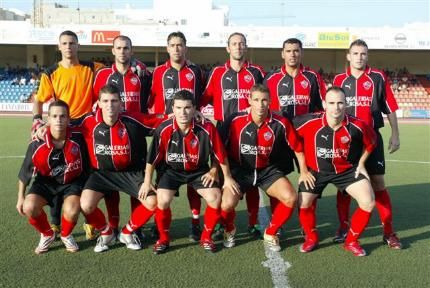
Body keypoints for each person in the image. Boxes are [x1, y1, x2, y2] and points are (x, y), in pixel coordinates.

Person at [142, 90, 239, 254]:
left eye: (187, 108)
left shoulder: (207, 128)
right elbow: (152, 159)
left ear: (195, 108)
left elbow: (219, 154)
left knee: (215, 198)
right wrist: (147, 182)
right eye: (178, 108)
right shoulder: (164, 129)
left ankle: (206, 237)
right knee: (162, 200)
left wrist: (223, 175)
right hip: (171, 171)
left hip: (198, 171)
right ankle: (164, 239)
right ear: (172, 108)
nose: (183, 112)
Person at [219, 84, 313, 251]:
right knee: (226, 204)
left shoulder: (281, 123)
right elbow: (219, 150)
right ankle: (229, 229)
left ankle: (271, 232)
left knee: (290, 197)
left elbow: (298, 148)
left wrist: (304, 172)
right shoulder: (235, 120)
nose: (260, 104)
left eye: (264, 100)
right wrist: (225, 176)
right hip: (241, 170)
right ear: (249, 101)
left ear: (270, 101)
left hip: (267, 170)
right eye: (256, 100)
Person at [32, 30, 103, 239]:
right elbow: (38, 98)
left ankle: (91, 221)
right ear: (59, 46)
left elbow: (116, 69)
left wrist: (138, 64)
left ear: (78, 45)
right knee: (58, 173)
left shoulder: (92, 68)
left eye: (72, 43)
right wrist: (37, 120)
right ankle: (55, 223)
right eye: (64, 43)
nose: (68, 46)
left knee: (89, 174)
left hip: (86, 129)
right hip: (61, 128)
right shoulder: (51, 72)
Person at [77, 84, 166, 253]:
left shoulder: (133, 119)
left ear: (121, 103)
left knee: (154, 201)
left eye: (114, 101)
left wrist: (192, 115)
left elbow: (160, 120)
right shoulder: (88, 121)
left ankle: (127, 232)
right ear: (99, 103)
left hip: (130, 173)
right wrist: (42, 126)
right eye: (106, 101)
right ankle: (107, 233)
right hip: (101, 174)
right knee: (86, 204)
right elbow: (63, 126)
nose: (110, 105)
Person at [332, 39, 402, 249]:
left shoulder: (378, 77)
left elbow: (389, 108)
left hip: (372, 139)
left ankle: (388, 232)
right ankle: (343, 227)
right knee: (344, 187)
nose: (359, 57)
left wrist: (395, 134)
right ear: (348, 56)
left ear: (367, 56)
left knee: (378, 183)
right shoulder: (338, 79)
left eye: (363, 54)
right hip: (345, 140)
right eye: (355, 53)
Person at [293, 86, 377, 256]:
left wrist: (361, 164)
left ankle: (351, 241)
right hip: (316, 171)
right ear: (324, 104)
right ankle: (311, 238)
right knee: (303, 202)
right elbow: (294, 141)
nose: (336, 107)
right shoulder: (308, 122)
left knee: (368, 201)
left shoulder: (358, 125)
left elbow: (371, 143)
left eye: (340, 103)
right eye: (331, 103)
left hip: (347, 171)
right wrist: (303, 170)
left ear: (346, 104)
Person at [200, 32, 266, 237]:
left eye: (241, 44)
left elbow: (265, 97)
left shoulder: (256, 72)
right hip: (224, 130)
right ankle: (221, 221)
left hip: (251, 129)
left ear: (246, 48)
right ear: (228, 48)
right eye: (234, 44)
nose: (238, 47)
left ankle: (254, 223)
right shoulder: (218, 72)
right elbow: (204, 99)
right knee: (220, 176)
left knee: (252, 175)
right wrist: (200, 115)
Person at [147, 31, 207, 241]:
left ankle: (195, 223)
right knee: (163, 179)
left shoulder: (196, 71)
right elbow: (150, 101)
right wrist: (162, 118)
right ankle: (159, 225)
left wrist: (198, 110)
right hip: (168, 132)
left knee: (193, 179)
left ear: (185, 47)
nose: (176, 49)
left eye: (180, 45)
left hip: (191, 130)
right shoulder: (158, 73)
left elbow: (202, 97)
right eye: (172, 45)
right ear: (167, 48)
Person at [93, 35, 152, 239]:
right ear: (113, 51)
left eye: (126, 48)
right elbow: (96, 102)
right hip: (110, 132)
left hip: (135, 132)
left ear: (131, 51)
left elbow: (149, 99)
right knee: (112, 181)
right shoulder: (102, 76)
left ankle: (136, 227)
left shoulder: (142, 74)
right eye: (118, 48)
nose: (122, 51)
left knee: (137, 180)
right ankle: (114, 224)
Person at [264, 37, 326, 220]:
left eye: (296, 50)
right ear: (282, 53)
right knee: (276, 179)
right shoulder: (272, 79)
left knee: (309, 180)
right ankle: (278, 221)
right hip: (280, 138)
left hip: (306, 139)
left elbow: (322, 107)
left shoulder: (312, 77)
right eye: (289, 51)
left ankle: (306, 224)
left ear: (302, 53)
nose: (293, 54)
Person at [16, 100, 88, 254]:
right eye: (54, 116)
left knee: (72, 210)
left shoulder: (79, 137)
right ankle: (47, 234)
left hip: (71, 183)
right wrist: (20, 197)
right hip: (45, 182)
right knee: (29, 207)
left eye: (63, 116)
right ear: (48, 119)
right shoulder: (36, 144)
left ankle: (66, 234)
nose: (59, 120)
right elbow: (25, 171)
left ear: (69, 119)